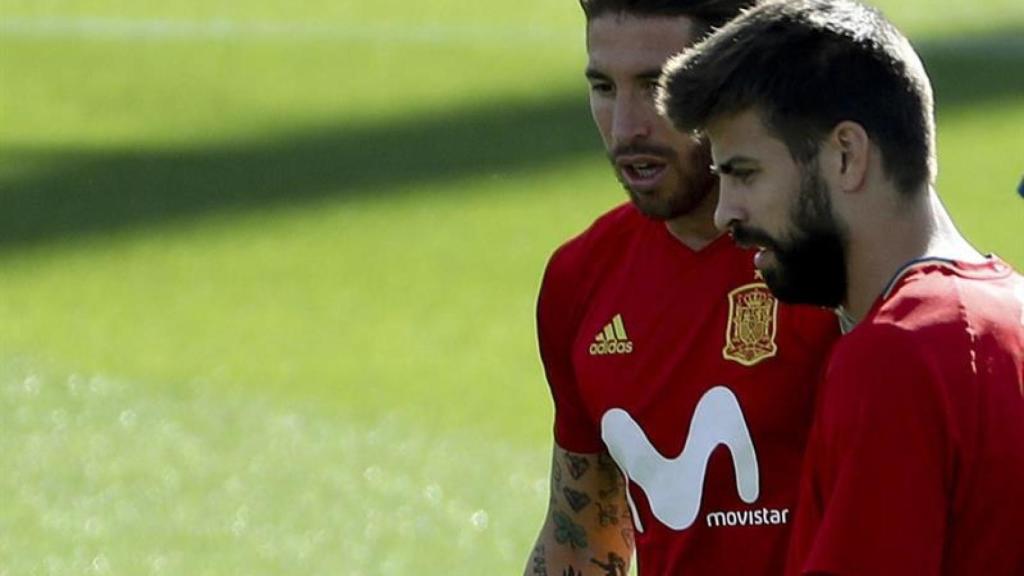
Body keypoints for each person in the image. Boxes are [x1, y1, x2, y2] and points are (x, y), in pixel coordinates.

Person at [658, 0, 1024, 574]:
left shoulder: (897, 354)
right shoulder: (1010, 313)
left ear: (846, 156)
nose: (726, 211)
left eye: (744, 172)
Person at [523, 1, 841, 574]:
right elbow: (585, 537)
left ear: (736, 83)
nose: (625, 127)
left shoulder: (837, 262)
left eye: (656, 85)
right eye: (603, 87)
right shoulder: (581, 278)